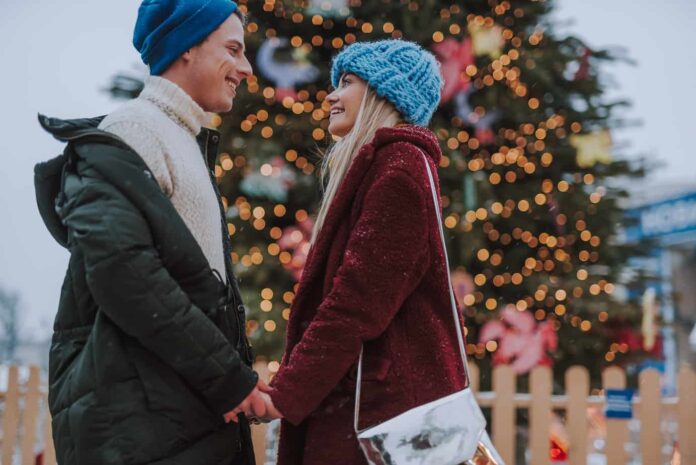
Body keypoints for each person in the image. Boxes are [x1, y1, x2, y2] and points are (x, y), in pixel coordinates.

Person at [33, 1, 271, 463]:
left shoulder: (181, 137)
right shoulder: (136, 130)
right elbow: (125, 273)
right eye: (233, 49)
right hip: (145, 433)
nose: (245, 67)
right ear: (185, 47)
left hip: (179, 420)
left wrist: (235, 376)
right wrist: (227, 378)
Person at [260, 40, 470, 465]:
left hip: (374, 418)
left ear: (383, 91)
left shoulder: (400, 168)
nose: (332, 95)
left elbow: (357, 304)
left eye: (348, 82)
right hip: (365, 407)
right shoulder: (384, 165)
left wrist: (286, 393)